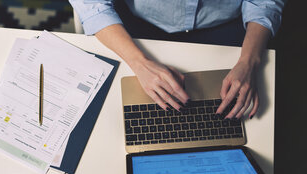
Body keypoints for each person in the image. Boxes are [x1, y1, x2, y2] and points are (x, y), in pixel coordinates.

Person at [69, 0, 285, 119]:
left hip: (228, 27)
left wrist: (249, 61)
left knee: (243, 119)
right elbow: (91, 4)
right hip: (136, 26)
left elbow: (265, 2)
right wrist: (139, 62)